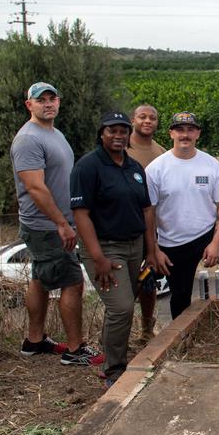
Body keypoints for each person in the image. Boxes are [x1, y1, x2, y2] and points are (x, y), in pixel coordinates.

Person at [146, 111, 219, 345]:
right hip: (173, 243)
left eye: (190, 130)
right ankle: (182, 337)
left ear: (198, 133)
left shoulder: (211, 165)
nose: (185, 134)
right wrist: (154, 249)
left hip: (208, 234)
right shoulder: (156, 169)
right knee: (179, 295)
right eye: (179, 129)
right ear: (171, 133)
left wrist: (216, 242)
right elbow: (148, 212)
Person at [10, 82, 102, 366]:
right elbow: (35, 188)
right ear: (29, 105)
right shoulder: (28, 140)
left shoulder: (53, 133)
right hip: (47, 225)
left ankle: (34, 341)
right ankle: (75, 349)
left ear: (58, 102)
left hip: (52, 222)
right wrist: (62, 223)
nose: (48, 104)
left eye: (52, 99)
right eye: (41, 100)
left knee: (40, 279)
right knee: (72, 282)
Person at [70, 112, 164, 388]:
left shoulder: (133, 167)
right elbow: (81, 214)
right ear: (102, 133)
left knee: (125, 305)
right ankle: (114, 370)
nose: (119, 135)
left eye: (123, 130)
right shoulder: (88, 167)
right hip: (106, 248)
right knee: (122, 307)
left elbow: (146, 210)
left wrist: (151, 249)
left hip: (135, 245)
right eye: (112, 130)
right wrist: (97, 257)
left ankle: (114, 354)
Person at [126, 104, 167, 340]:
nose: (147, 121)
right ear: (134, 120)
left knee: (148, 281)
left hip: (153, 228)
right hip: (126, 226)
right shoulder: (123, 149)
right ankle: (119, 333)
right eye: (142, 117)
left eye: (152, 117)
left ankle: (146, 330)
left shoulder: (161, 153)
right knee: (127, 285)